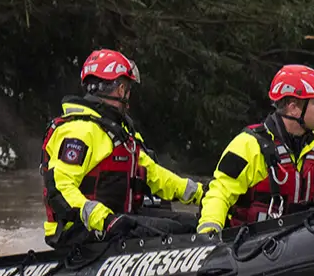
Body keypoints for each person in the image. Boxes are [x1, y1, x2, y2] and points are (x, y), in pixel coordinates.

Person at [41, 49, 204, 248]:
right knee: (179, 232)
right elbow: (60, 188)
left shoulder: (120, 132)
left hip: (116, 221)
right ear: (120, 89)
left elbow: (153, 175)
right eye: (128, 88)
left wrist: (200, 193)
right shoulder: (79, 131)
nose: (129, 96)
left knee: (191, 224)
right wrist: (105, 220)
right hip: (81, 230)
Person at [197, 64, 314, 235]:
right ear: (293, 106)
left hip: (306, 243)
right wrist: (210, 230)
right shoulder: (248, 145)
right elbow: (220, 192)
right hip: (250, 246)